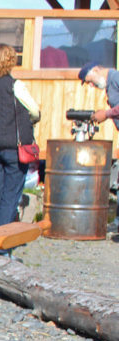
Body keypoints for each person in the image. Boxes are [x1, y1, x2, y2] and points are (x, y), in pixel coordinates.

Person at [0, 44, 39, 230]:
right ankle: (2, 240)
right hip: (14, 149)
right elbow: (34, 110)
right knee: (10, 195)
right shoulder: (15, 85)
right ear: (10, 61)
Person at [78, 62, 119, 230]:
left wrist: (107, 114)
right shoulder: (110, 85)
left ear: (96, 70)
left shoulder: (116, 78)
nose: (91, 85)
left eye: (90, 81)